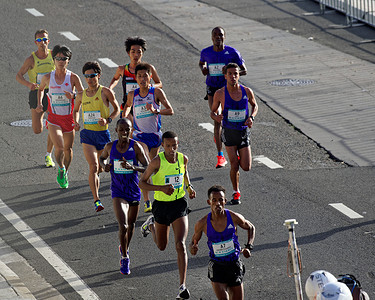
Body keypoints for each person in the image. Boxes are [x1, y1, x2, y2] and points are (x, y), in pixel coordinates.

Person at [139, 131, 196, 300]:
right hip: (161, 206)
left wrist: (189, 186)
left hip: (179, 204)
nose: (172, 149)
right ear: (162, 145)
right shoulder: (157, 161)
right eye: (169, 146)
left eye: (175, 146)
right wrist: (161, 188)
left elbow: (184, 173)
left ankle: (182, 286)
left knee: (180, 244)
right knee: (162, 246)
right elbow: (142, 182)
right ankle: (151, 224)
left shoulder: (182, 158)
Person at [99, 118, 149, 275]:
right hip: (118, 191)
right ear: (116, 131)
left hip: (133, 190)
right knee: (124, 225)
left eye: (127, 129)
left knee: (132, 225)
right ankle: (125, 257)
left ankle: (125, 246)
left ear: (131, 130)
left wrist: (132, 167)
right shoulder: (110, 146)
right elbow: (102, 158)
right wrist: (104, 166)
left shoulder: (136, 147)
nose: (124, 133)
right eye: (121, 130)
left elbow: (148, 167)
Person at [189, 185, 255, 300]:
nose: (218, 203)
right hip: (217, 266)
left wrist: (249, 246)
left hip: (234, 264)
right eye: (214, 200)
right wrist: (192, 248)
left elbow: (251, 227)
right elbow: (193, 242)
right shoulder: (202, 223)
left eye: (220, 200)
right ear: (209, 202)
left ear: (225, 201)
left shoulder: (234, 217)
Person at [124, 62, 174, 213]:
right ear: (136, 79)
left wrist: (156, 110)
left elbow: (170, 110)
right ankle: (146, 202)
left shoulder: (156, 93)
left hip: (155, 136)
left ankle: (160, 194)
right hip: (139, 135)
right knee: (145, 166)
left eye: (145, 75)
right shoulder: (133, 94)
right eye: (139, 76)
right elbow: (127, 106)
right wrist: (126, 118)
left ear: (150, 76)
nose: (142, 78)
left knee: (152, 167)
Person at [73, 61, 120, 212]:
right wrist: (76, 122)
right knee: (93, 166)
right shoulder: (80, 95)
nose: (90, 79)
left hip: (103, 135)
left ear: (98, 76)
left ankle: (106, 186)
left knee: (101, 168)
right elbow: (75, 110)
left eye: (92, 75)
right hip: (87, 135)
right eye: (86, 76)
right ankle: (97, 200)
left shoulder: (106, 92)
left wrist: (108, 120)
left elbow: (117, 108)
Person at [199, 26, 247, 169]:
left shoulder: (233, 53)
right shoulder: (206, 52)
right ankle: (220, 156)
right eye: (215, 35)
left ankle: (235, 148)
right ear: (212, 37)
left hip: (229, 90)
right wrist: (203, 69)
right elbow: (201, 63)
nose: (218, 37)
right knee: (218, 118)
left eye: (220, 34)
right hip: (213, 89)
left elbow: (244, 70)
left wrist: (231, 75)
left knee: (231, 119)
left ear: (224, 37)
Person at [211, 63, 258, 205]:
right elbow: (212, 112)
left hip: (243, 132)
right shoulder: (220, 93)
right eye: (230, 74)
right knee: (234, 165)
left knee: (246, 167)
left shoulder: (247, 91)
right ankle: (235, 192)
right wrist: (216, 117)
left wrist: (251, 117)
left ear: (239, 75)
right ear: (225, 76)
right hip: (229, 132)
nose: (233, 76)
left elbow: (255, 105)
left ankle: (238, 156)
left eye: (236, 73)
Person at [37, 45, 84, 189]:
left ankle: (65, 172)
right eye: (58, 58)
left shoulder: (73, 77)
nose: (61, 61)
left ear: (68, 61)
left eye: (64, 58)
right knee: (59, 147)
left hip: (69, 118)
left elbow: (83, 94)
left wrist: (74, 95)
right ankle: (61, 167)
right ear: (54, 60)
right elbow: (40, 90)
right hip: (54, 119)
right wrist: (39, 103)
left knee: (68, 149)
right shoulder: (47, 77)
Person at [16, 29, 55, 167]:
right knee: (37, 130)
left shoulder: (54, 56)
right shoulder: (31, 59)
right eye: (39, 40)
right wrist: (28, 84)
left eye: (44, 40)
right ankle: (47, 120)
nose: (42, 42)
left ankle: (48, 155)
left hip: (52, 93)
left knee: (54, 124)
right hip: (37, 93)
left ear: (48, 41)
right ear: (35, 43)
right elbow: (19, 75)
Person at [109, 36, 162, 120]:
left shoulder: (149, 68)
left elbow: (159, 84)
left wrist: (151, 86)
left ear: (142, 53)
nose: (136, 55)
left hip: (144, 108)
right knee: (127, 131)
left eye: (139, 52)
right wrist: (110, 88)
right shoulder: (122, 69)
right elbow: (115, 79)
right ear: (128, 53)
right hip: (128, 106)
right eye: (133, 52)